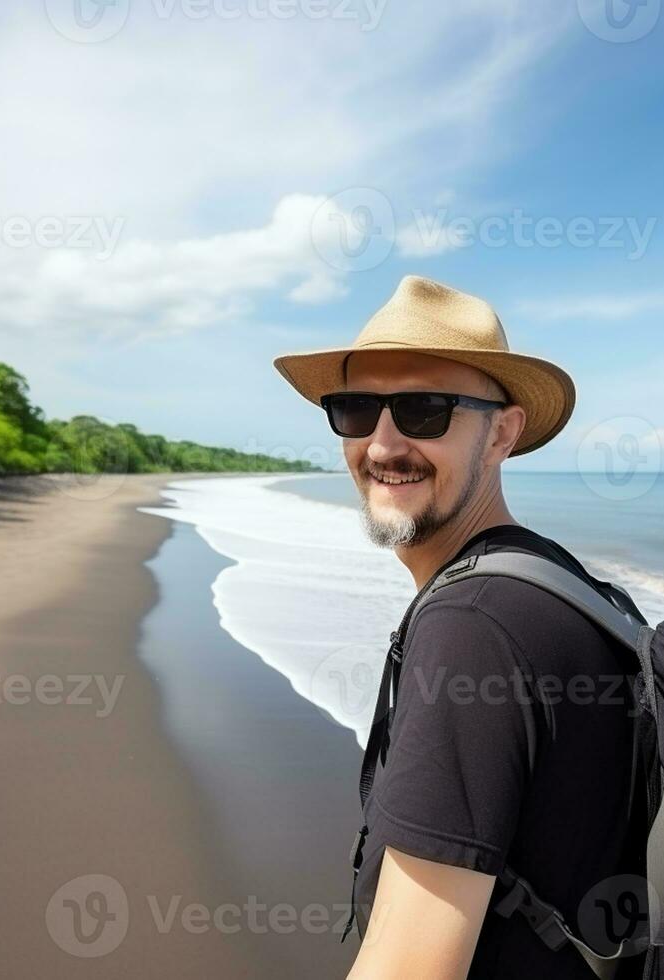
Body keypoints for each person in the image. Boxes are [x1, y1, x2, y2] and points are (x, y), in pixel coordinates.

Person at [273, 275, 642, 979]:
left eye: (423, 409)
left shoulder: (473, 631)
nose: (381, 445)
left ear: (501, 431)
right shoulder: (558, 585)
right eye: (355, 409)